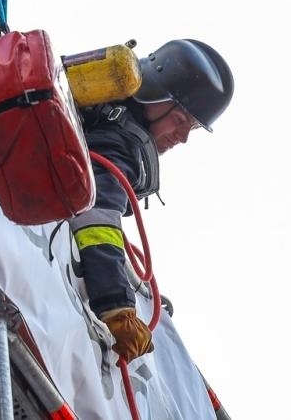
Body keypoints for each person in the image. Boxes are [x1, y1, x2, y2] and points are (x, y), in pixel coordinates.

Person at [72, 38, 234, 366]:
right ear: (157, 96)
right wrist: (118, 307)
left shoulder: (103, 119)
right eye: (181, 120)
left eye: (193, 128)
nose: (184, 137)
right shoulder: (122, 142)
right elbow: (97, 216)